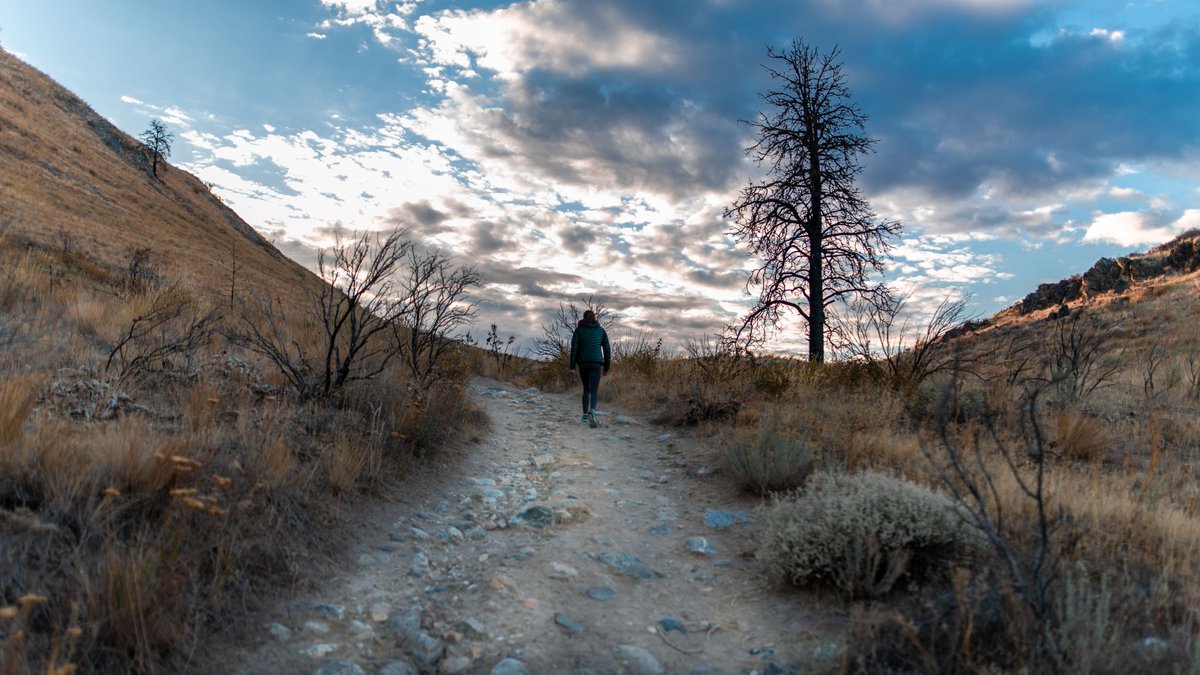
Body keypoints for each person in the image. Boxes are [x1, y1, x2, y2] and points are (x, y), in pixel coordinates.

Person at [568, 309, 611, 428]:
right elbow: (607, 349)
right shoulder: (601, 331)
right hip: (597, 363)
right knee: (594, 390)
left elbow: (574, 349)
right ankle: (593, 411)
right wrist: (606, 367)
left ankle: (585, 415)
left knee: (586, 389)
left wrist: (572, 366)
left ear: (584, 318)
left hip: (583, 363)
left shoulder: (579, 330)